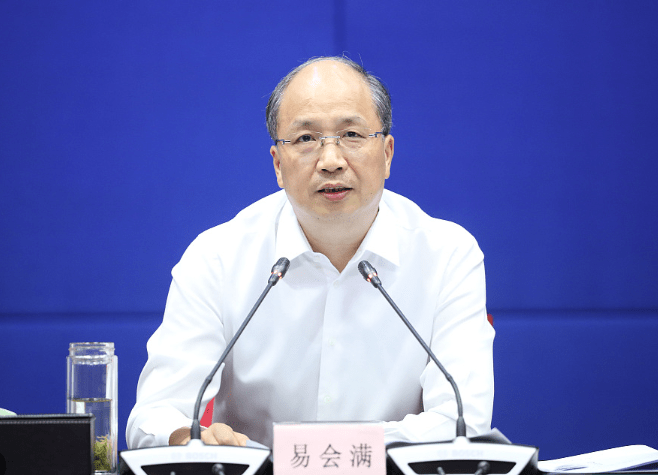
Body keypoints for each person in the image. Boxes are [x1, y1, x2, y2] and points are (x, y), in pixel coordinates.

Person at [126, 56, 495, 449]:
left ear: (387, 154)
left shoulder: (447, 256)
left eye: (351, 134)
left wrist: (313, 452)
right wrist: (189, 438)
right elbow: (153, 417)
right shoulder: (216, 259)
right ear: (277, 164)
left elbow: (463, 421)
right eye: (305, 139)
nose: (331, 161)